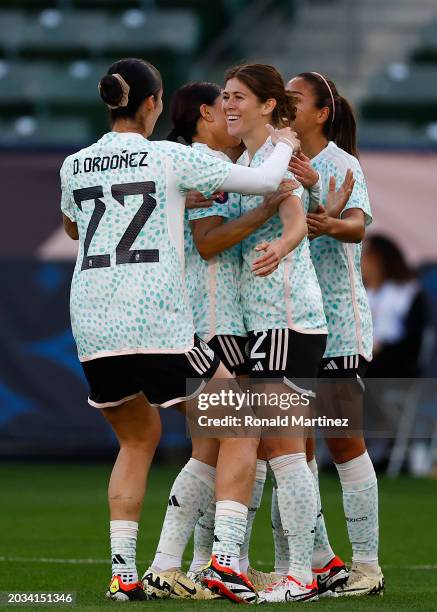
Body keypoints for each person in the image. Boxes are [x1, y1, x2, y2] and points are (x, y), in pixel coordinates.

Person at [60, 57, 300, 603]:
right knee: (239, 423)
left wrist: (168, 202)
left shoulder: (74, 164)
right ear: (153, 103)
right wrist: (284, 140)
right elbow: (265, 179)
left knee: (137, 439)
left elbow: (75, 225)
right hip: (156, 321)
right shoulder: (171, 156)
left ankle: (123, 575)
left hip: (95, 325)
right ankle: (223, 565)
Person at [143, 81, 296, 601]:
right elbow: (208, 244)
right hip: (207, 320)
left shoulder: (193, 167)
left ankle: (185, 564)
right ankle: (214, 564)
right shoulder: (194, 163)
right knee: (238, 438)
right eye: (223, 106)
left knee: (211, 449)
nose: (231, 115)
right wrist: (269, 205)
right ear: (204, 115)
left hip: (217, 317)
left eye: (239, 102)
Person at [216, 63, 329, 603]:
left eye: (239, 96)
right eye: (223, 96)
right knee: (276, 451)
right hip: (260, 322)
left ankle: (303, 574)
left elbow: (295, 221)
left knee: (286, 450)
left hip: (285, 318)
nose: (228, 104)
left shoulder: (273, 158)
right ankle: (291, 568)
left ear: (267, 105)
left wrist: (282, 247)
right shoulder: (247, 161)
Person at [284, 71, 384, 596]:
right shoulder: (275, 160)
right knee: (292, 448)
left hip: (339, 323)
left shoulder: (342, 165)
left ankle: (368, 566)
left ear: (322, 113)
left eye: (295, 100)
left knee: (343, 441)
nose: (285, 106)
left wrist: (324, 214)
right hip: (295, 319)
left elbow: (358, 225)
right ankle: (321, 560)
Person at [363, 234, 429, 378]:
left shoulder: (407, 292)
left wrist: (380, 348)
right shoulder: (361, 292)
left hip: (391, 367)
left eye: (364, 256)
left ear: (377, 260)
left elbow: (413, 342)